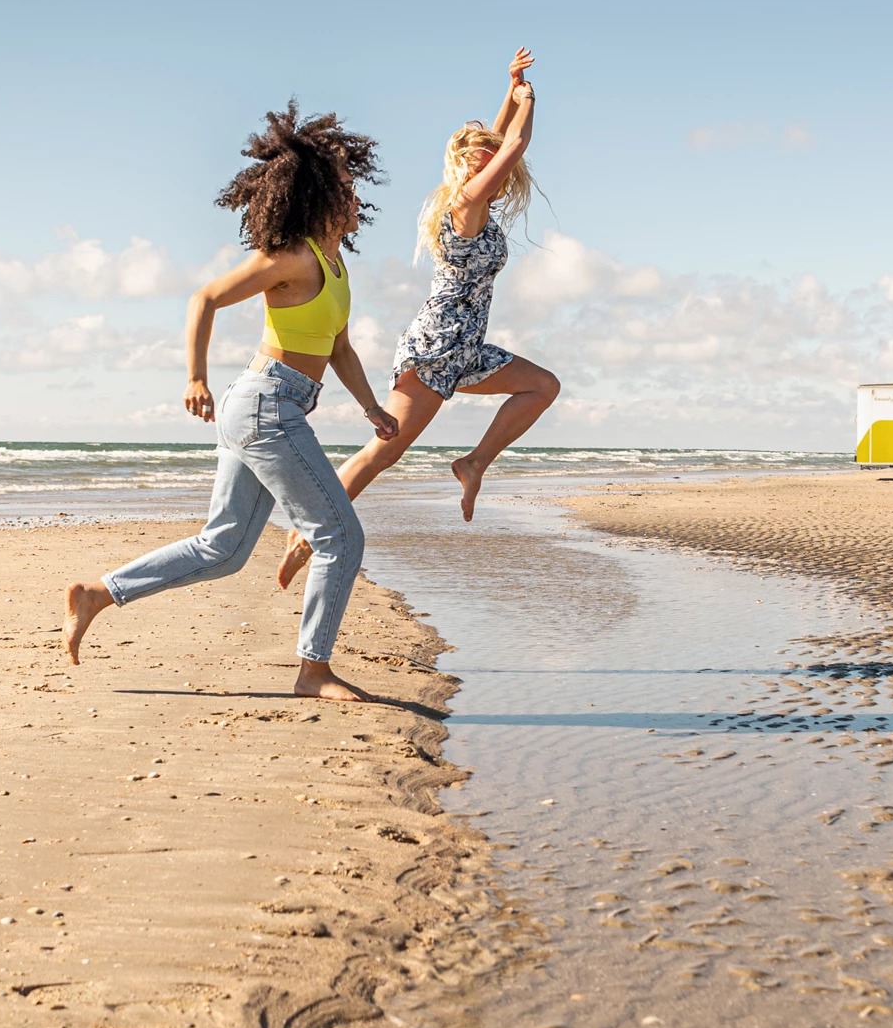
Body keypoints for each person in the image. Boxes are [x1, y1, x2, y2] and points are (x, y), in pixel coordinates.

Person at [64, 103, 399, 702]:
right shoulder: (289, 257)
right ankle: (313, 671)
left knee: (223, 548)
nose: (353, 196)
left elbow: (340, 347)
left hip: (277, 406)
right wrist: (195, 377)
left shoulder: (336, 264)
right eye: (344, 186)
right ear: (318, 194)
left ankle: (98, 593)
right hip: (267, 405)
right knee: (339, 536)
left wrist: (372, 408)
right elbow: (204, 298)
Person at [278, 50, 560, 585]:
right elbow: (515, 143)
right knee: (384, 451)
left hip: (467, 347)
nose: (494, 158)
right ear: (471, 166)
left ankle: (474, 463)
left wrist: (509, 89)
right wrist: (530, 100)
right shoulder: (468, 201)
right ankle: (306, 531)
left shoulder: (478, 193)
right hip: (437, 345)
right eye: (482, 156)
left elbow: (502, 142)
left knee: (542, 386)